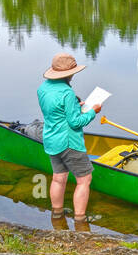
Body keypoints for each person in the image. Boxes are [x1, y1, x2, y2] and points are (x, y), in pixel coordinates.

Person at [37, 52, 102, 229]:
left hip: (51, 139)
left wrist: (75, 105)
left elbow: (56, 111)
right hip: (69, 142)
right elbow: (75, 122)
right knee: (84, 179)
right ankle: (80, 221)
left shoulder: (43, 88)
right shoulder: (67, 92)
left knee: (58, 178)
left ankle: (57, 216)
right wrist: (92, 112)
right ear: (69, 73)